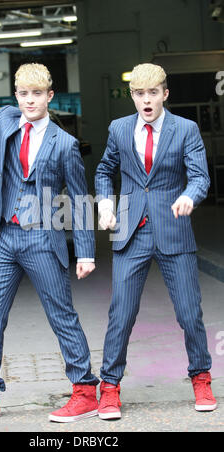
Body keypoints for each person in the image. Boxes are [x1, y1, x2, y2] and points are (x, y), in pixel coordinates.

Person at [0, 4, 99, 424]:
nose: (28, 101)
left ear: (49, 96)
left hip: (43, 239)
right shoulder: (6, 121)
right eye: (22, 95)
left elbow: (79, 200)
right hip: (4, 238)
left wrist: (85, 252)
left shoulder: (63, 144)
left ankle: (84, 391)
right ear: (18, 98)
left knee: (61, 315)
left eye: (36, 95)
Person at [95, 62, 217, 419]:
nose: (146, 101)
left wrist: (189, 197)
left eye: (152, 93)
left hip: (174, 227)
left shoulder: (186, 129)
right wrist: (105, 203)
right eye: (139, 94)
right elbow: (104, 170)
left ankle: (201, 376)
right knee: (121, 314)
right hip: (131, 230)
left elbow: (199, 176)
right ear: (131, 95)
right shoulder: (118, 129)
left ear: (165, 94)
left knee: (189, 313)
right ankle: (110, 387)